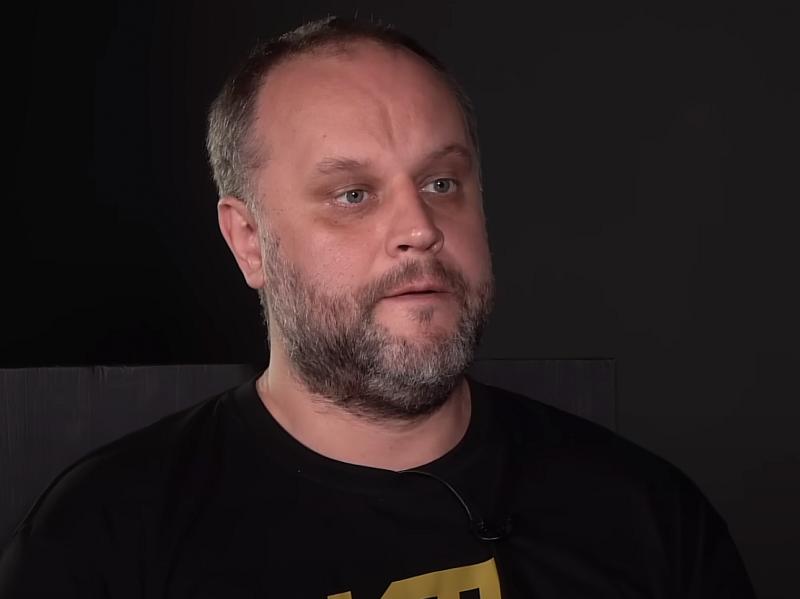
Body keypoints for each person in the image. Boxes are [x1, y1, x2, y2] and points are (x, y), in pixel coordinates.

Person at [0, 17, 755, 598]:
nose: (420, 227)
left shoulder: (650, 518)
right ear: (249, 241)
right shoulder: (101, 540)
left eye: (441, 183)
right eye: (354, 194)